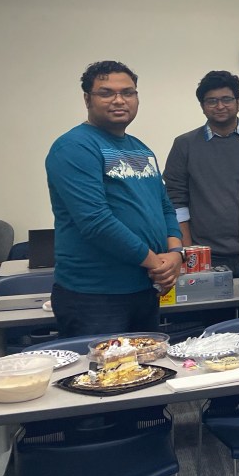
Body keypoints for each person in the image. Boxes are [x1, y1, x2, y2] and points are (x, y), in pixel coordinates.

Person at [46, 60, 183, 336]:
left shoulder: (140, 149)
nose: (119, 100)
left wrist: (176, 253)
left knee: (148, 363)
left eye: (128, 92)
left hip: (144, 289)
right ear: (87, 99)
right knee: (101, 366)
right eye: (106, 93)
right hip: (95, 297)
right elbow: (96, 222)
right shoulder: (74, 146)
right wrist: (157, 263)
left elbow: (166, 207)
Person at [163, 70, 239, 276]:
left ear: (238, 103)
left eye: (227, 99)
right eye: (212, 101)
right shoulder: (184, 145)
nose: (220, 106)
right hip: (204, 255)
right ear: (202, 106)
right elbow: (175, 201)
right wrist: (189, 252)